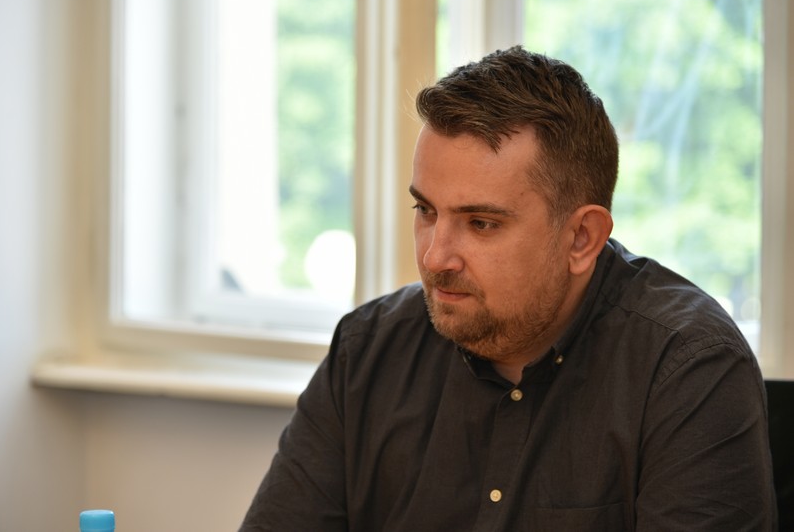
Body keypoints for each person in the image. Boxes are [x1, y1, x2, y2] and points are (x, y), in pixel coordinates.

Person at [239, 45, 777, 531]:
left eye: (481, 223)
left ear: (581, 238)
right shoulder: (367, 351)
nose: (434, 257)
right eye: (426, 210)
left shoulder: (687, 369)